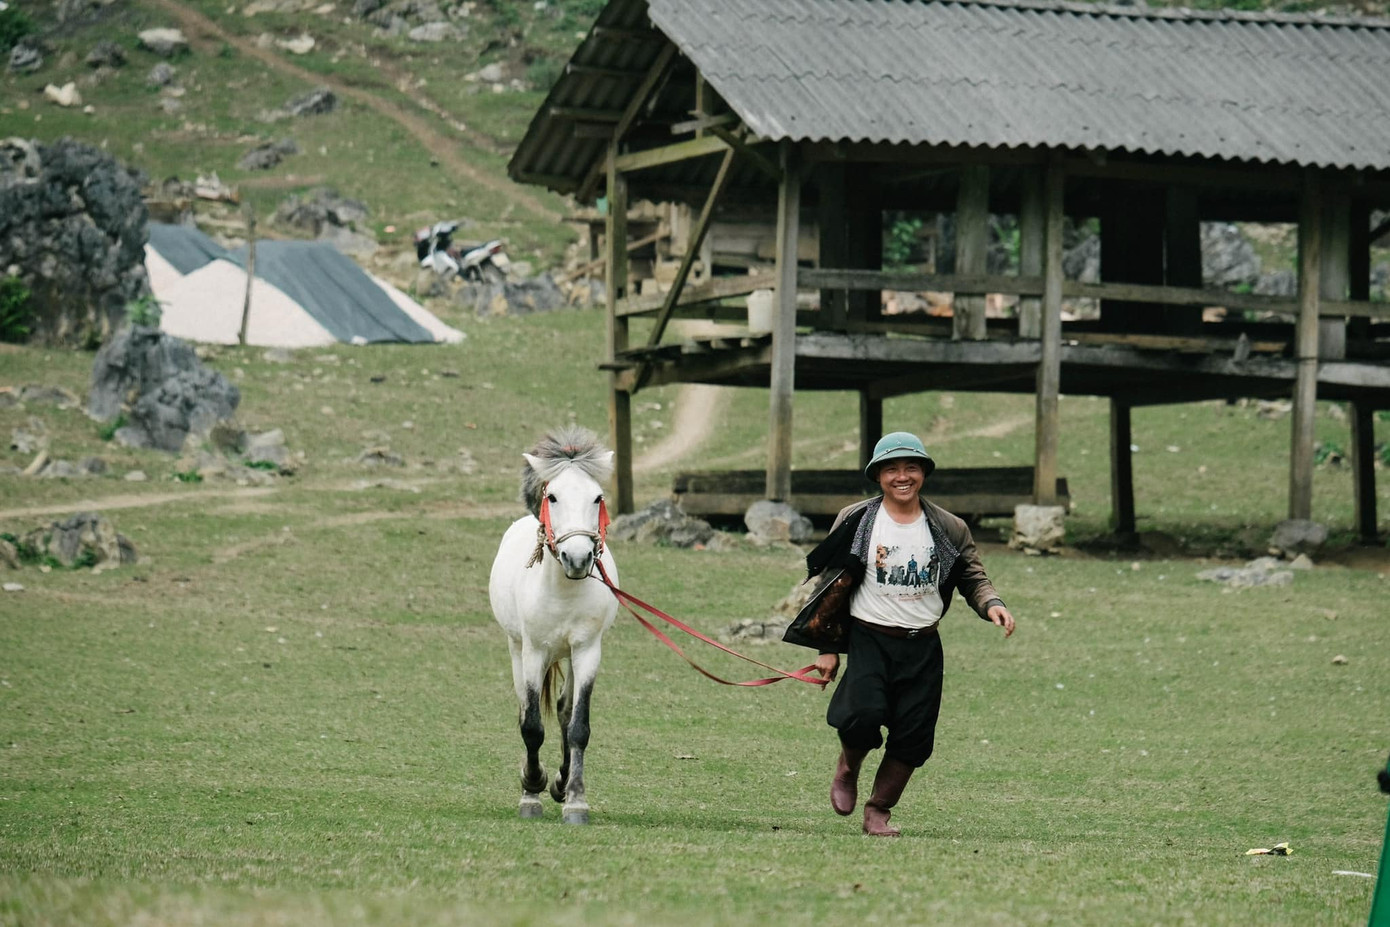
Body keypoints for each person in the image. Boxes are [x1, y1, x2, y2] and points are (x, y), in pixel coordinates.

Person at [791, 431, 1015, 836]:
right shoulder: (857, 520)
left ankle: (879, 809)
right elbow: (831, 585)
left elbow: (972, 575)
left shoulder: (948, 526)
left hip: (923, 645)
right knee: (861, 716)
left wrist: (991, 604)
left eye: (911, 467)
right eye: (891, 469)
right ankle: (848, 767)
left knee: (914, 735)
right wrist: (827, 647)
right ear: (878, 476)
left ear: (923, 473)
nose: (902, 476)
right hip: (869, 638)